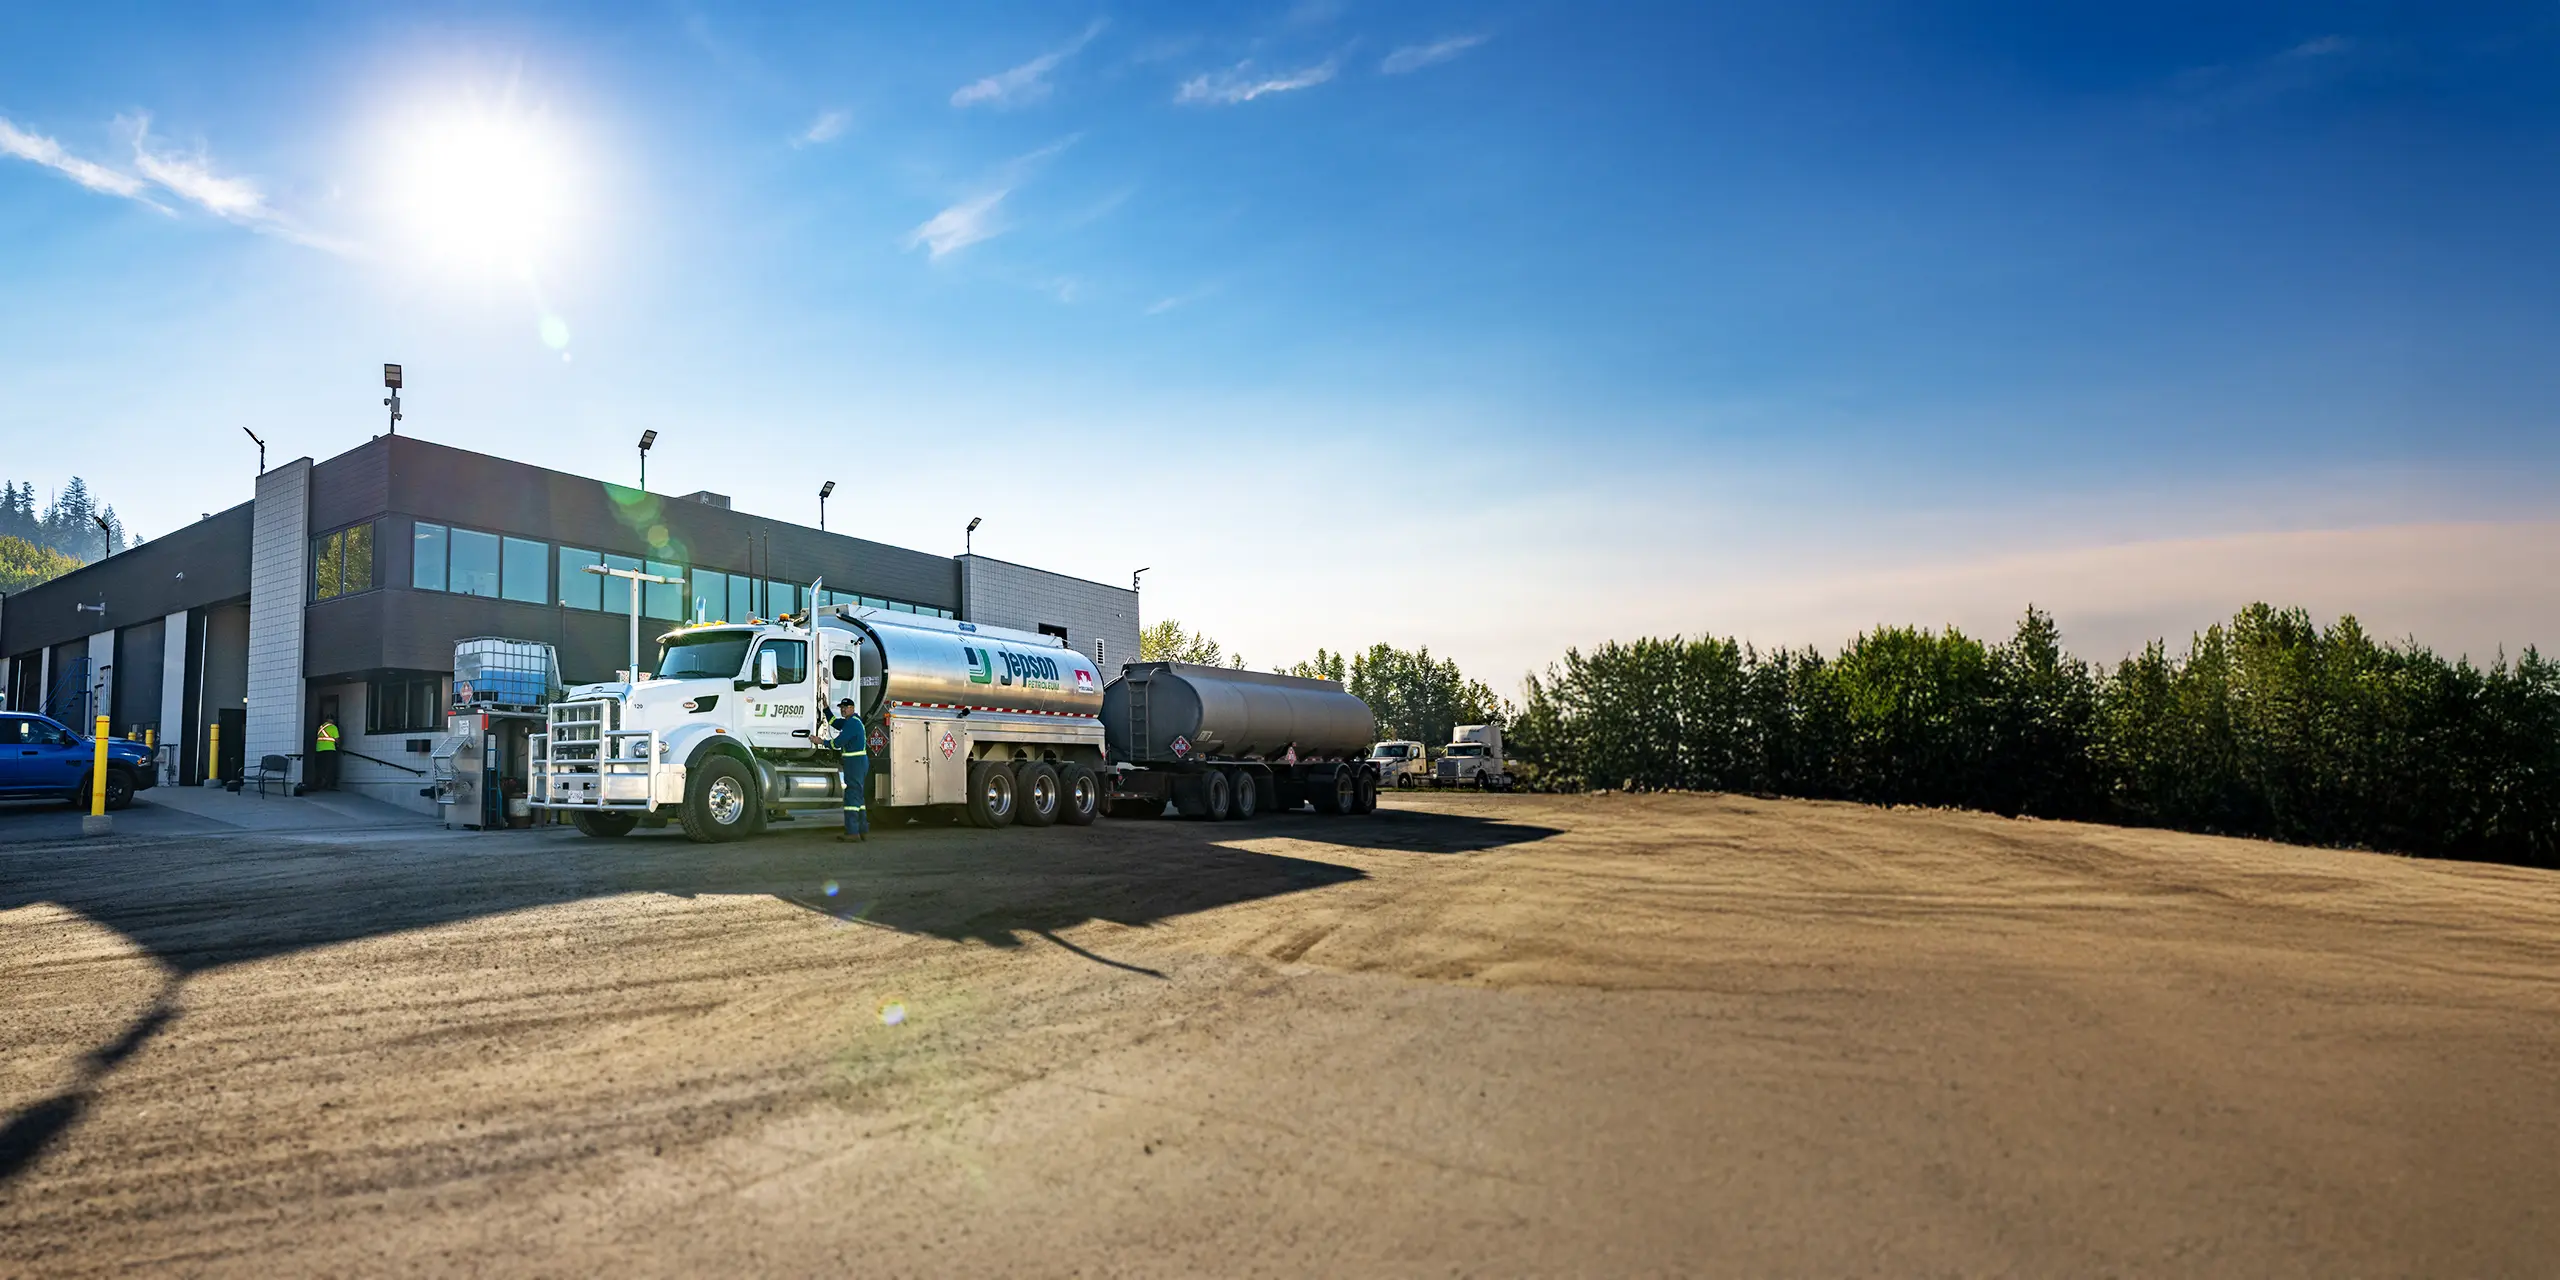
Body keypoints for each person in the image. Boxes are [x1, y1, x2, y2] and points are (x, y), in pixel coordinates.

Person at [830, 697, 869, 841]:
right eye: (841, 707)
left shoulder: (852, 723)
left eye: (846, 707)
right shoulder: (850, 722)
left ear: (852, 708)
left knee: (852, 794)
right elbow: (834, 723)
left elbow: (838, 742)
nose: (843, 709)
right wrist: (826, 708)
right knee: (858, 796)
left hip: (855, 762)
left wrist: (821, 741)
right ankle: (862, 830)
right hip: (857, 762)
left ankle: (852, 832)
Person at [313, 716, 340, 791]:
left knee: (321, 767)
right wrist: (338, 745)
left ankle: (319, 783)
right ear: (332, 720)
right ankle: (329, 784)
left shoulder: (320, 727)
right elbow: (337, 739)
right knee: (330, 767)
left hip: (319, 749)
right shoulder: (333, 727)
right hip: (329, 749)